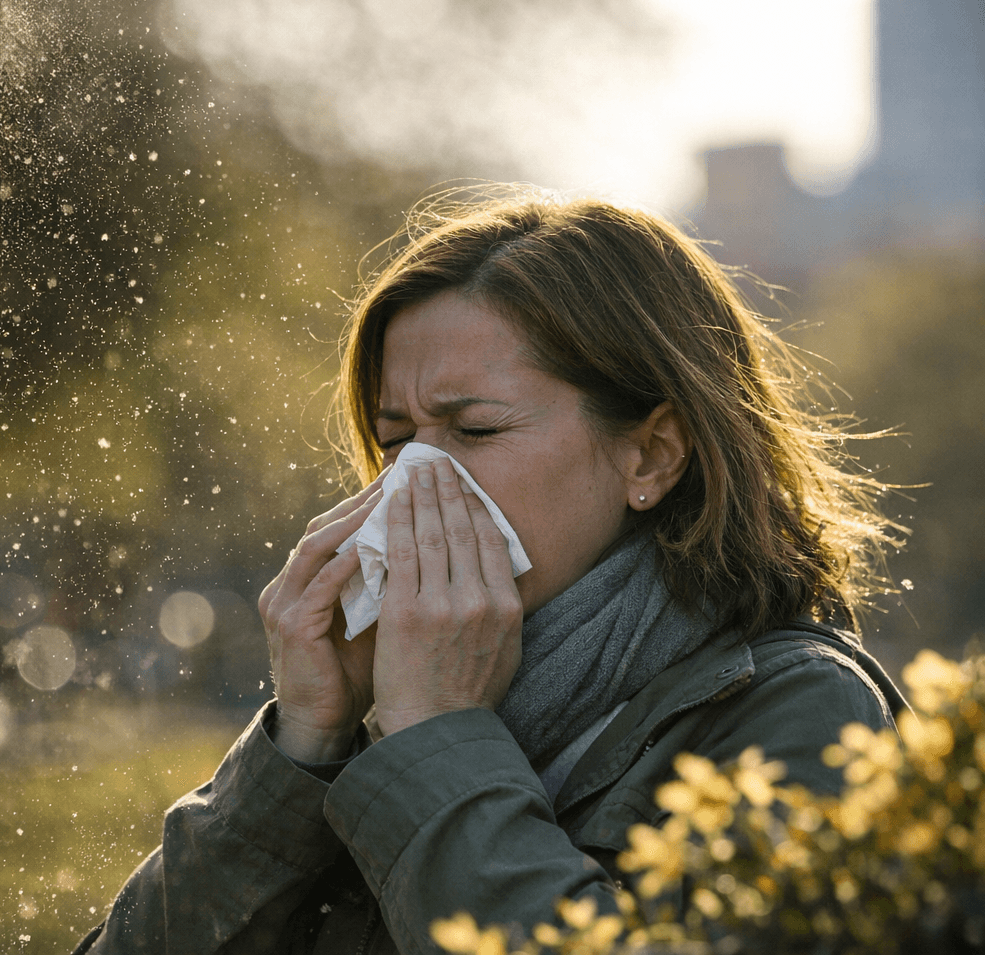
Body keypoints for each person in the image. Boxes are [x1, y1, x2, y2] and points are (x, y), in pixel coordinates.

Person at [74, 190, 907, 954]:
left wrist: (437, 738)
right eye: (397, 438)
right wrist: (303, 749)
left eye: (473, 432)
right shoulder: (373, 708)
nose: (413, 483)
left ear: (650, 454)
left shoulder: (800, 710)